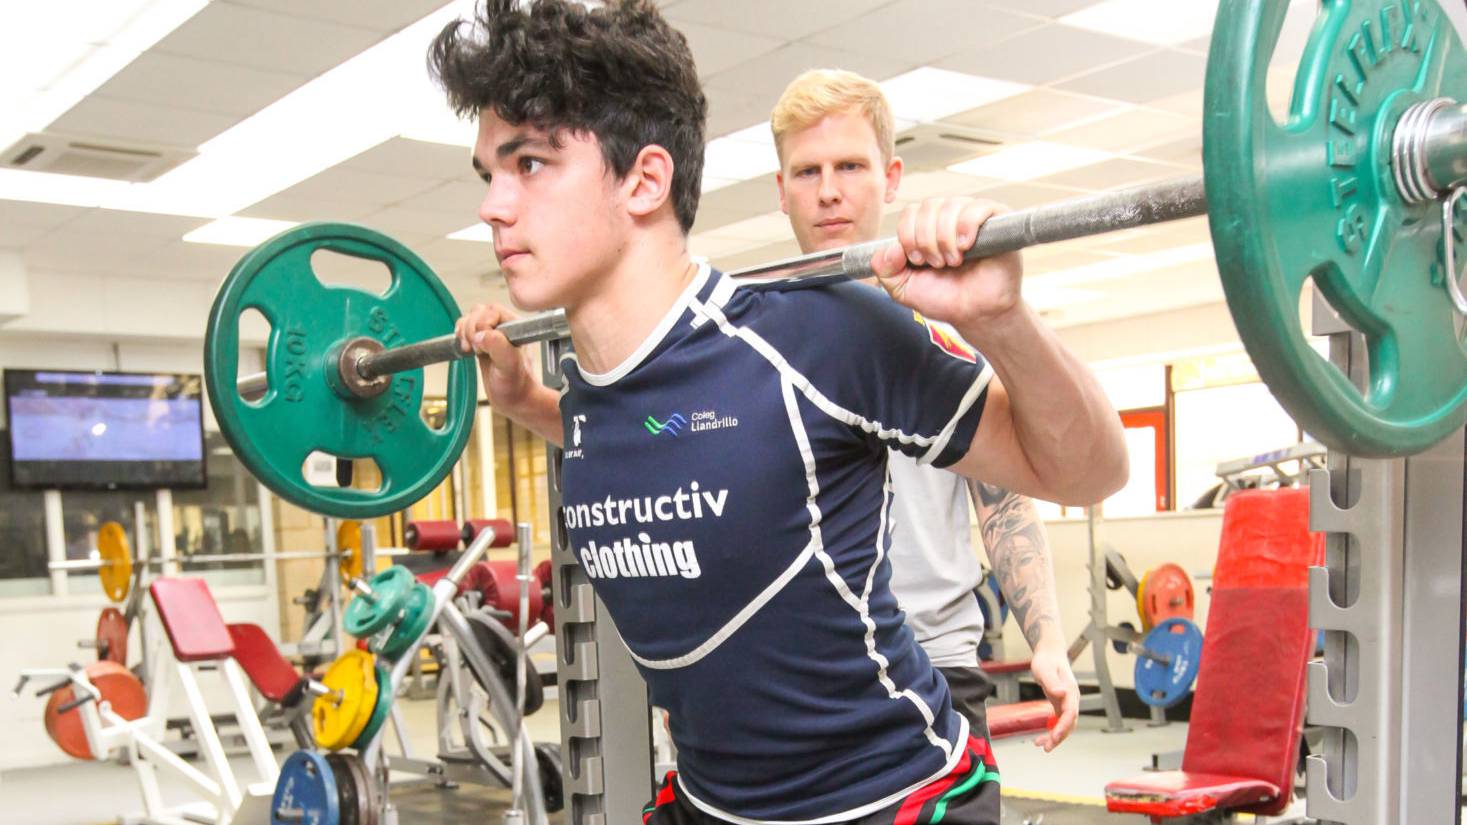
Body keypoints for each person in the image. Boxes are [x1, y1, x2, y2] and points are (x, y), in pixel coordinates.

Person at [435, 2, 1127, 824]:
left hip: (884, 800)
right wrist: (521, 401)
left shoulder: (817, 332)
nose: (493, 205)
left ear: (645, 180)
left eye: (531, 163)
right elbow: (677, 436)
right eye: (490, 173)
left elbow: (1089, 472)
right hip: (709, 802)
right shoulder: (594, 389)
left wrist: (1001, 323)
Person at [769, 68, 1080, 754]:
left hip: (933, 664)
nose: (828, 190)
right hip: (796, 676)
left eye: (849, 165)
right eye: (806, 170)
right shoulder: (753, 338)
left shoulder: (951, 319)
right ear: (780, 188)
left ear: (890, 176)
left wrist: (1048, 639)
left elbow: (1001, 499)